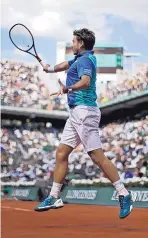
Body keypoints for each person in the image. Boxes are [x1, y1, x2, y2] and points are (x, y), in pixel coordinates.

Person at [34, 28, 137, 219]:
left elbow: (86, 82)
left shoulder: (86, 61)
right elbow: (65, 65)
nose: (71, 44)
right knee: (62, 153)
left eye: (73, 41)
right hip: (75, 113)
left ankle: (124, 194)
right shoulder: (81, 59)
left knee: (97, 158)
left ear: (81, 43)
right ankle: (54, 196)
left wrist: (67, 88)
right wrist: (48, 69)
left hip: (85, 112)